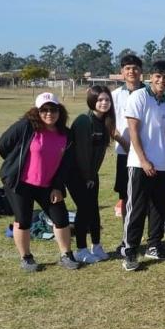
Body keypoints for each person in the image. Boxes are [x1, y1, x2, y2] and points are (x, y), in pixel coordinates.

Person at [0, 92, 79, 271]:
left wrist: (57, 186)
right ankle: (26, 258)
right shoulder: (26, 126)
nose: (49, 113)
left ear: (60, 111)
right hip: (21, 183)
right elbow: (3, 145)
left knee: (61, 218)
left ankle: (66, 255)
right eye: (44, 110)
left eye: (53, 109)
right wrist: (15, 162)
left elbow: (66, 164)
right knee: (23, 219)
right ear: (37, 111)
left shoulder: (66, 134)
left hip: (48, 185)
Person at [121, 60, 165, 270]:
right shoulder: (139, 96)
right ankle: (130, 251)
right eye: (158, 76)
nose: (162, 81)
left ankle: (154, 245)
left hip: (162, 165)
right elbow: (133, 131)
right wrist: (143, 160)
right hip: (139, 164)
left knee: (159, 209)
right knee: (136, 208)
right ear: (151, 77)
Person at [67, 86, 116, 263]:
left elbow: (99, 153)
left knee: (93, 209)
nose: (104, 103)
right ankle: (80, 249)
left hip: (90, 174)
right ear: (92, 101)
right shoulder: (83, 121)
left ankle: (96, 245)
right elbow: (81, 154)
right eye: (100, 100)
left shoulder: (104, 122)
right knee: (84, 209)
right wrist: (87, 177)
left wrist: (92, 175)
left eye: (107, 100)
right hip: (76, 174)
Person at [111, 55, 146, 218]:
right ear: (122, 72)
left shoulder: (150, 93)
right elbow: (109, 124)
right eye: (127, 68)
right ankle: (127, 234)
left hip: (148, 152)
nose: (131, 71)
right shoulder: (115, 95)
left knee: (146, 195)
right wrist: (124, 143)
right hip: (124, 153)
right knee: (125, 195)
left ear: (141, 71)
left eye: (135, 68)